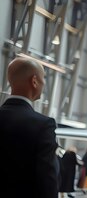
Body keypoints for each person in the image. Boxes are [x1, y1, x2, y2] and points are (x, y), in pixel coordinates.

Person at [0, 57, 59, 198]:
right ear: (34, 81)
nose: (44, 83)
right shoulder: (43, 125)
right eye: (43, 78)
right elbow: (47, 180)